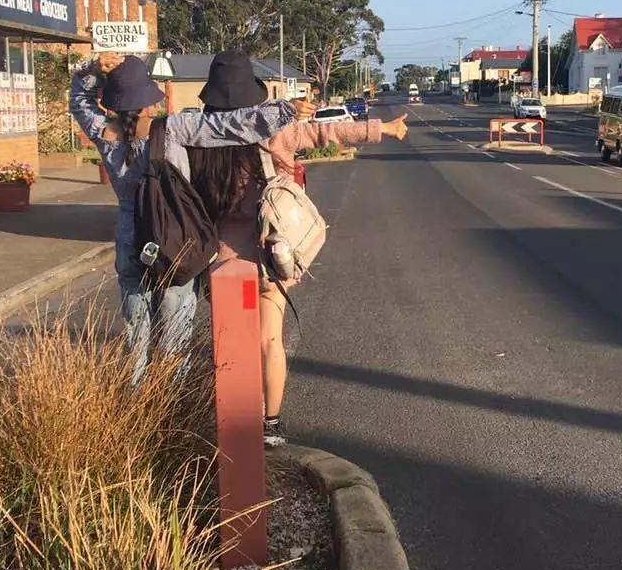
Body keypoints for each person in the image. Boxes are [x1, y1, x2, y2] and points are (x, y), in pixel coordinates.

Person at [187, 50, 408, 446]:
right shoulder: (276, 132)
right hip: (272, 250)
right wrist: (383, 128)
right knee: (269, 339)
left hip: (221, 255)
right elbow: (329, 132)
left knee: (228, 340)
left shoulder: (199, 137)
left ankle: (232, 421)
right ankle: (269, 425)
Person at [69, 52, 294, 380]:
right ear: (148, 99)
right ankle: (173, 401)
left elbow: (79, 100)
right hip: (177, 237)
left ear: (111, 102)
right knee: (175, 327)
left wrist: (90, 70)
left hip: (131, 239)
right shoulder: (172, 129)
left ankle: (139, 400)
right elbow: (227, 126)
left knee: (136, 329)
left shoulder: (102, 130)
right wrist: (283, 111)